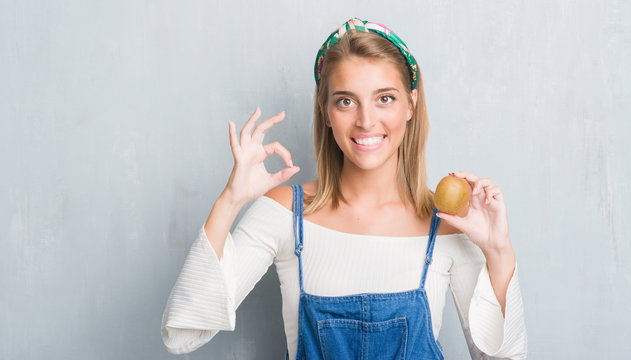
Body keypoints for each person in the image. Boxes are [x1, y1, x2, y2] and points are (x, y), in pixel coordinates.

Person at [161, 18, 528, 359]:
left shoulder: (448, 223)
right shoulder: (284, 213)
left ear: (410, 106)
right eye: (346, 101)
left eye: (385, 98)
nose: (366, 120)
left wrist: (498, 250)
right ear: (325, 111)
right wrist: (231, 200)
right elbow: (184, 332)